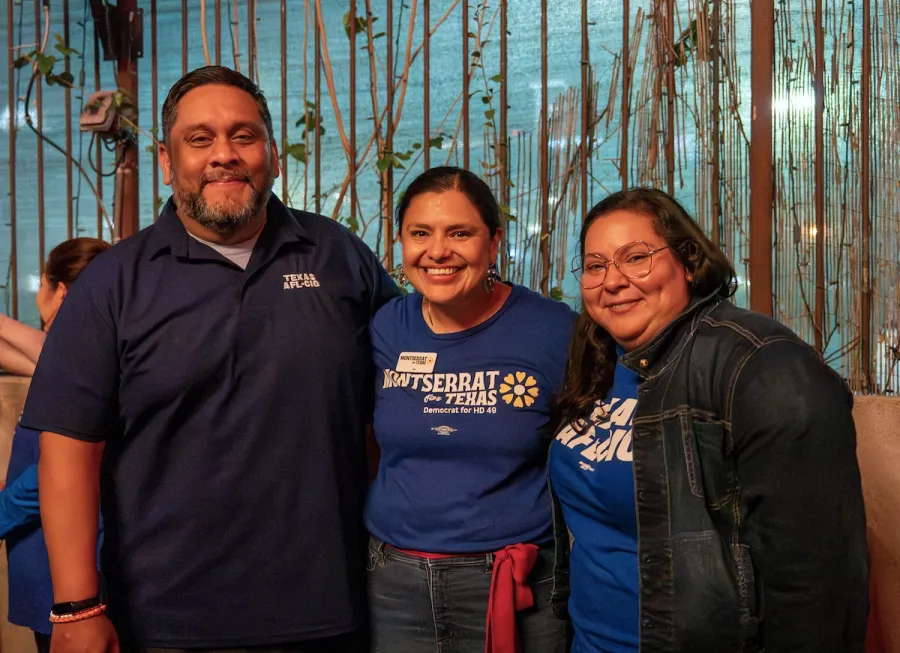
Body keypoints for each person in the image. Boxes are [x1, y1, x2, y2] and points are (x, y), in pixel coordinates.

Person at [20, 66, 398, 653]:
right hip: (165, 618)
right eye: (200, 139)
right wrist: (76, 607)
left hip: (333, 608)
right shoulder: (114, 284)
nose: (224, 154)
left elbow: (401, 394)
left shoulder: (340, 257)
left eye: (243, 136)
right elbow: (68, 448)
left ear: (271, 153)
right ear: (168, 163)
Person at [549, 187, 869, 652]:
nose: (612, 280)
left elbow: (818, 582)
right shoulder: (597, 358)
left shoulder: (764, 364)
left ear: (687, 259)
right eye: (596, 265)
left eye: (635, 257)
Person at [365, 166, 573, 653]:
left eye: (460, 233)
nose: (438, 251)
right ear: (400, 241)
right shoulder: (384, 329)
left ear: (494, 242)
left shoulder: (554, 331)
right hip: (394, 583)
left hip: (516, 581)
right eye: (421, 233)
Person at [0, 238, 110, 653]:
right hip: (59, 564)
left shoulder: (81, 361)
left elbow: (48, 476)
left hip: (62, 570)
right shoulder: (83, 355)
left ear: (57, 290)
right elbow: (36, 354)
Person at [0, 240, 107, 376]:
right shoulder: (107, 345)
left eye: (42, 285)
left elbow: (51, 354)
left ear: (61, 293)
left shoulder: (78, 355)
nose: (38, 297)